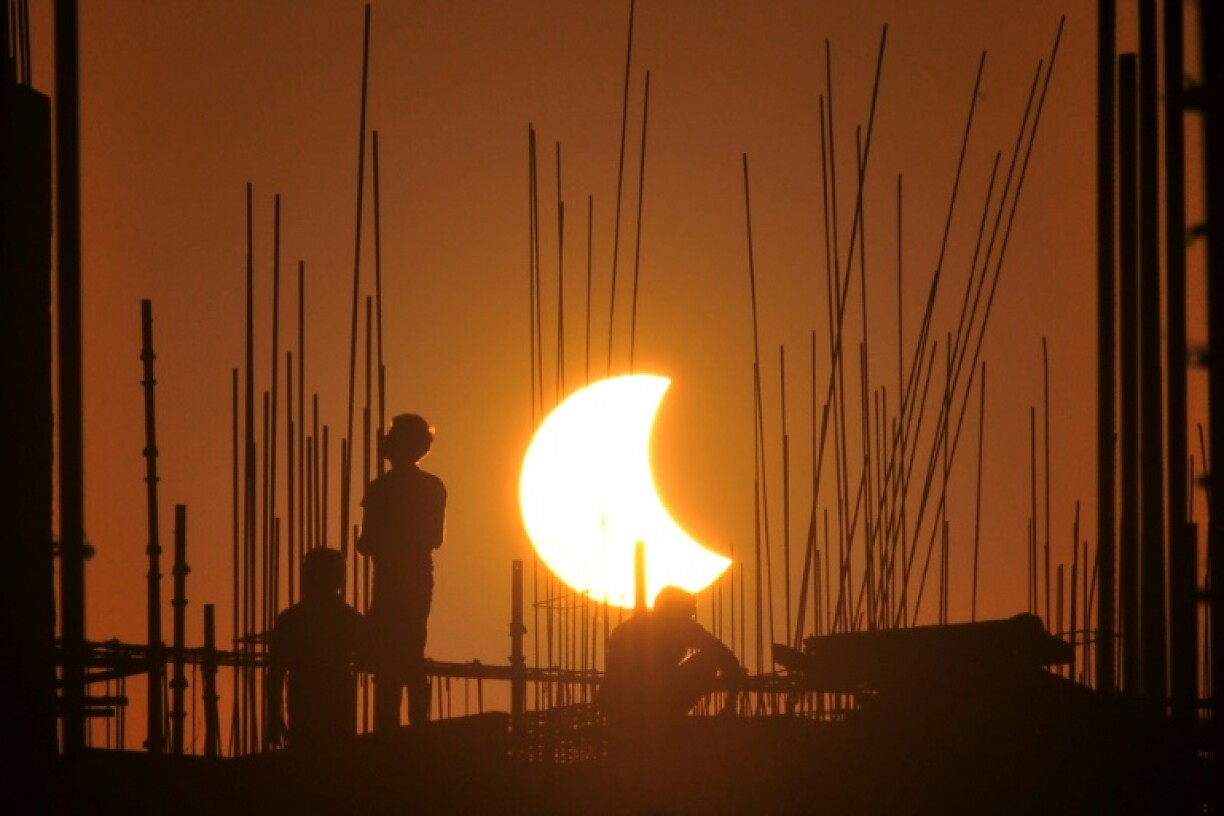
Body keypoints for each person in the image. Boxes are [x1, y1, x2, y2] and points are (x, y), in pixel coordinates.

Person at [357, 413, 447, 731]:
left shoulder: (382, 488)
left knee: (391, 657)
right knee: (409, 650)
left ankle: (392, 731)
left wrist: (388, 536)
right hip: (414, 579)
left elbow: (366, 543)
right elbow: (434, 538)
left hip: (392, 580)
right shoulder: (431, 487)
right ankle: (414, 728)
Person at [598, 585, 745, 735]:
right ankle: (668, 719)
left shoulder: (627, 628)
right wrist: (730, 703)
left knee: (711, 658)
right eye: (688, 613)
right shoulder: (678, 626)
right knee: (709, 660)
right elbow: (724, 656)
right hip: (649, 703)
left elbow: (726, 657)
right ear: (676, 611)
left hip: (627, 705)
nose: (691, 617)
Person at [265, 546, 365, 753]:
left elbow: (275, 673)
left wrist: (274, 715)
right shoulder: (349, 620)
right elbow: (275, 672)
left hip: (310, 706)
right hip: (332, 707)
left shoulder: (291, 620)